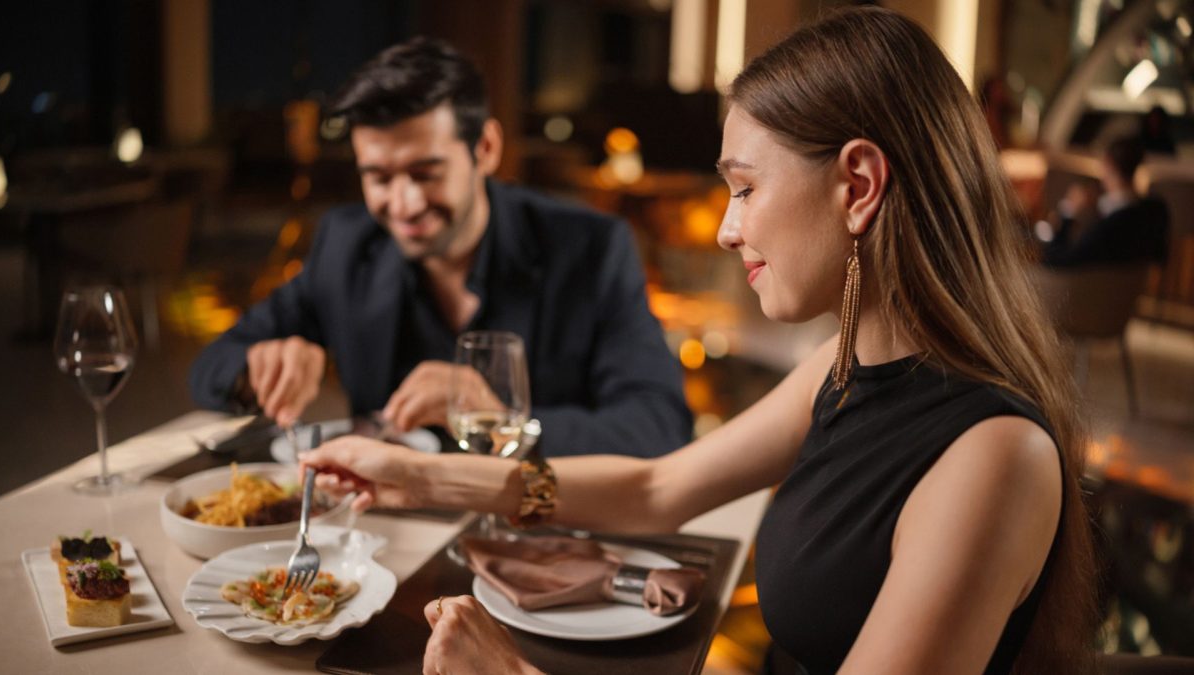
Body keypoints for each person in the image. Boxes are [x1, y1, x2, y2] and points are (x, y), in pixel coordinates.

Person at [301, 8, 1097, 675]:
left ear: (858, 186)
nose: (724, 228)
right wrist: (425, 474)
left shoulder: (994, 458)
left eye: (746, 187)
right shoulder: (845, 367)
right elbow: (655, 489)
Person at [188, 38, 691, 458]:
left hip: (538, 531)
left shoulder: (591, 250)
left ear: (486, 150)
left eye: (426, 174)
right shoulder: (347, 244)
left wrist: (501, 422)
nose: (403, 205)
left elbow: (660, 426)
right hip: (385, 531)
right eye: (379, 178)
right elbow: (210, 366)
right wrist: (259, 368)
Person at [1042, 136, 1169, 268]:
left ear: (1107, 164)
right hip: (1141, 287)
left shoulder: (1109, 226)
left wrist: (1068, 213)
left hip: (1088, 287)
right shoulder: (1156, 211)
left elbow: (1054, 261)